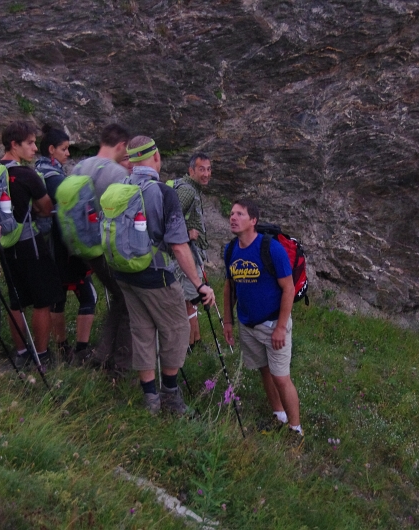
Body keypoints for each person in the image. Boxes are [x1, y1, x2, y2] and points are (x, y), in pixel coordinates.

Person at [111, 136, 215, 415]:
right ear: (156, 156)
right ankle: (170, 396)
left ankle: (150, 400)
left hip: (123, 274)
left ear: (131, 159)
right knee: (177, 330)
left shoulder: (121, 186)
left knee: (142, 332)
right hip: (155, 274)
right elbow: (179, 246)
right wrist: (199, 284)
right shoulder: (162, 192)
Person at [222, 199, 302, 436]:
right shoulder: (230, 250)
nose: (233, 218)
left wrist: (280, 327)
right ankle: (278, 415)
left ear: (253, 221)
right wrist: (228, 321)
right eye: (231, 213)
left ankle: (295, 430)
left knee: (280, 378)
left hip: (272, 324)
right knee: (264, 371)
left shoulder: (271, 249)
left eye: (240, 214)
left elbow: (289, 289)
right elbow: (229, 287)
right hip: (248, 324)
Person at [71, 123, 133, 372]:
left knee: (119, 297)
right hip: (107, 247)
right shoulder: (117, 174)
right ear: (120, 145)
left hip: (83, 245)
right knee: (128, 299)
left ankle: (101, 353)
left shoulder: (79, 167)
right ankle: (120, 363)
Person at [0, 120, 61, 369]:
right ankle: (42, 354)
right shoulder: (26, 174)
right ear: (15, 145)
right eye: (31, 143)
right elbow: (46, 208)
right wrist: (36, 208)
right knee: (42, 300)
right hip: (30, 244)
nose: (35, 149)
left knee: (16, 300)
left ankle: (21, 352)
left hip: (5, 244)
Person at [35, 125, 97, 362]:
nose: (68, 153)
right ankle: (81, 350)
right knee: (88, 296)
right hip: (66, 245)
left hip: (47, 244)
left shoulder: (38, 172)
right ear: (51, 150)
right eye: (64, 149)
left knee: (58, 297)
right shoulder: (54, 177)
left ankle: (62, 347)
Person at [171, 152, 212, 348]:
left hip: (192, 253)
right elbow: (169, 221)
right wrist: (187, 235)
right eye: (201, 169)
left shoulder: (193, 189)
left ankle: (195, 341)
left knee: (192, 300)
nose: (206, 174)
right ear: (191, 170)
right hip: (186, 253)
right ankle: (188, 346)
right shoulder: (187, 191)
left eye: (208, 169)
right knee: (190, 299)